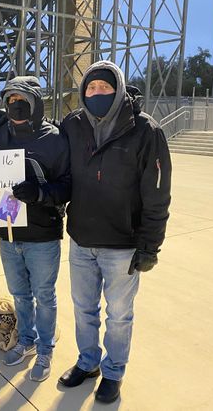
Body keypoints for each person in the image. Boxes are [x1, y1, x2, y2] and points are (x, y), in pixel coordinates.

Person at [58, 61, 171, 403]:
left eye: (104, 87)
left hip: (122, 244)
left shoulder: (145, 130)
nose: (97, 93)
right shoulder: (73, 125)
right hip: (81, 239)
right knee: (83, 308)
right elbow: (59, 171)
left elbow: (157, 193)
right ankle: (88, 362)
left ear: (118, 89)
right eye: (91, 88)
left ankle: (113, 371)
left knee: (119, 315)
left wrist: (150, 245)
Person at [0, 76, 70, 382]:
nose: (16, 105)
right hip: (8, 234)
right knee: (20, 294)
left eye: (23, 100)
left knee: (44, 295)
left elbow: (68, 185)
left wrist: (40, 194)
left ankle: (45, 348)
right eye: (10, 100)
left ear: (35, 103)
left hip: (42, 235)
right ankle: (26, 339)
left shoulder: (54, 138)